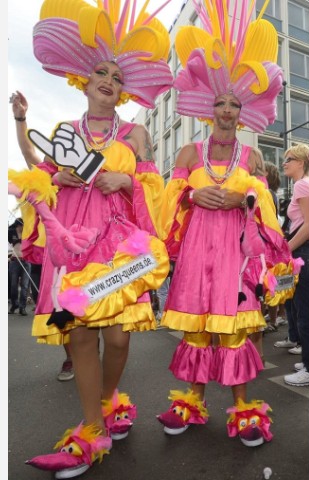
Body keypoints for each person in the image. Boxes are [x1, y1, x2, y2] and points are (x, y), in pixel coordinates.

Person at [8, 0, 173, 477]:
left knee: (118, 338)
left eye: (117, 77)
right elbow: (39, 170)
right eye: (101, 71)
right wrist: (29, 133)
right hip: (76, 243)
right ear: (85, 79)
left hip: (120, 246)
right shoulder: (65, 131)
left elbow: (152, 186)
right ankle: (94, 427)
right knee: (81, 335)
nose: (108, 80)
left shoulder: (136, 134)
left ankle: (108, 401)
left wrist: (126, 182)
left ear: (122, 92)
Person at [157, 0, 292, 447]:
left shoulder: (252, 156)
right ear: (208, 107)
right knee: (197, 328)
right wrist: (191, 194)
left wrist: (245, 196)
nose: (228, 110)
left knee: (233, 331)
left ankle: (243, 410)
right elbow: (167, 201)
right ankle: (191, 402)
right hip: (197, 251)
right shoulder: (187, 155)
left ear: (243, 110)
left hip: (234, 254)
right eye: (221, 102)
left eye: (235, 103)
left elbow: (266, 206)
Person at [10, 90, 75, 382]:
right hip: (58, 250)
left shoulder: (92, 166)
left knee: (92, 301)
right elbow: (29, 155)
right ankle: (72, 358)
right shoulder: (49, 173)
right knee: (61, 302)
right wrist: (21, 118)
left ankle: (89, 352)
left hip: (89, 243)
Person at [282, 144, 309, 386]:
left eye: (288, 159)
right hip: (304, 251)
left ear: (301, 162)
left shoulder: (303, 184)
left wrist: (287, 249)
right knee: (303, 310)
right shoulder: (304, 184)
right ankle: (308, 360)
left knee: (305, 313)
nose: (284, 164)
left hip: (305, 252)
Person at [263, 161, 287, 333]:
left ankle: (273, 318)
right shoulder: (273, 193)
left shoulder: (267, 193)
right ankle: (276, 316)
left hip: (267, 241)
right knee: (272, 280)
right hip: (272, 241)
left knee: (269, 280)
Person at [8, 217, 31, 316]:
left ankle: (22, 307)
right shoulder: (10, 232)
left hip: (26, 261)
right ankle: (14, 304)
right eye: (22, 225)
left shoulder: (27, 233)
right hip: (15, 261)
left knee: (25, 286)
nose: (23, 227)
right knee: (13, 285)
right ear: (18, 225)